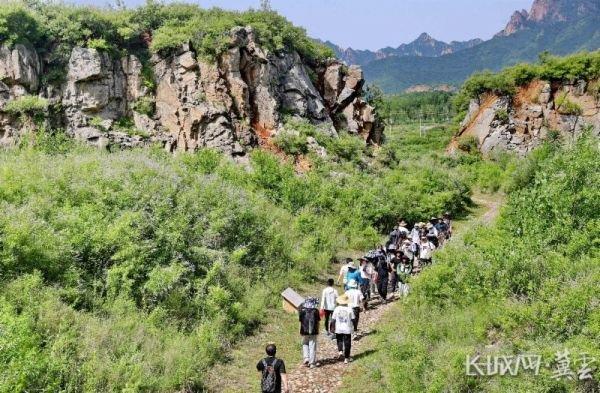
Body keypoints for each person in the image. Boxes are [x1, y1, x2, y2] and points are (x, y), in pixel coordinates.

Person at [332, 294, 355, 364]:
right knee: (347, 343)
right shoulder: (349, 309)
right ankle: (346, 358)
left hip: (338, 328)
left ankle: (340, 351)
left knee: (339, 340)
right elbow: (353, 319)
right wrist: (354, 326)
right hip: (347, 329)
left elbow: (333, 320)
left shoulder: (336, 309)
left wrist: (333, 327)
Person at [298, 297, 320, 368]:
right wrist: (318, 330)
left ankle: (306, 358)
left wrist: (300, 330)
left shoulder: (302, 310)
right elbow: (318, 322)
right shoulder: (316, 311)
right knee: (312, 346)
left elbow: (300, 322)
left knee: (305, 344)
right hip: (313, 331)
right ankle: (312, 363)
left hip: (304, 331)